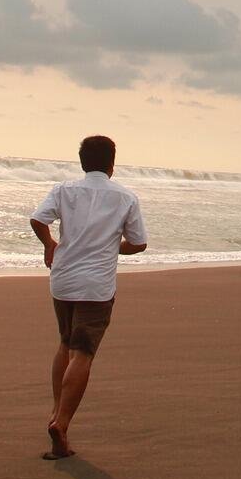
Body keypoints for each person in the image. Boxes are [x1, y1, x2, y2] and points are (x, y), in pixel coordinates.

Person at [29, 135, 148, 460]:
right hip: (96, 286)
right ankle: (62, 423)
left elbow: (38, 220)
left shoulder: (64, 189)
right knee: (83, 352)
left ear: (82, 162)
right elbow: (139, 243)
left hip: (63, 280)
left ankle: (56, 410)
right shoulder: (125, 197)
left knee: (65, 343)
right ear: (112, 164)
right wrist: (113, 247)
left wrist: (50, 245)